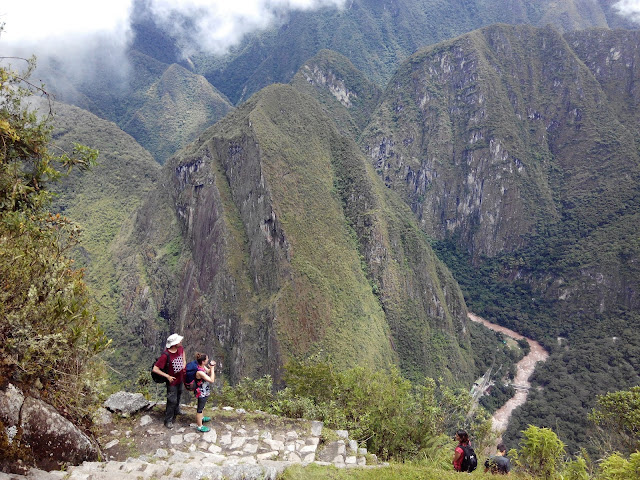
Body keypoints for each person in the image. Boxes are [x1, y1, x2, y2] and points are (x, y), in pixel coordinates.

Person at [152, 333, 186, 429]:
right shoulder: (165, 355)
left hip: (180, 378)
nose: (181, 342)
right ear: (174, 344)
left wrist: (184, 363)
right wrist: (167, 376)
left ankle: (177, 410)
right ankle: (168, 420)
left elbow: (183, 353)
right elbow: (155, 369)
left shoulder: (180, 349)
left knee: (179, 394)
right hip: (171, 381)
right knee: (172, 400)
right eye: (179, 341)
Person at [193, 352, 216, 432]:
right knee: (200, 409)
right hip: (201, 392)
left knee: (202, 407)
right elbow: (211, 380)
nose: (208, 360)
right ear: (203, 361)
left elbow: (209, 372)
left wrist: (211, 367)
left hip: (205, 390)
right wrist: (212, 369)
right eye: (207, 359)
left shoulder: (202, 367)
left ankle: (202, 418)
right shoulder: (199, 372)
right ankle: (199, 426)